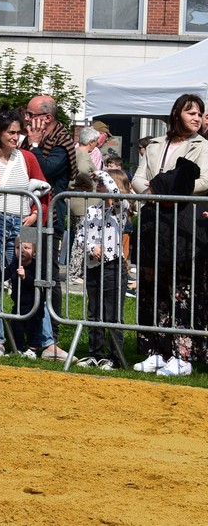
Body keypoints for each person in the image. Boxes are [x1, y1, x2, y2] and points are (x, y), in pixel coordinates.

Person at [130, 93, 208, 376]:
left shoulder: (202, 146)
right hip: (153, 221)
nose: (196, 118)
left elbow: (205, 181)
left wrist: (172, 192)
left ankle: (182, 355)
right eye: (191, 112)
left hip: (184, 223)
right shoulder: (154, 145)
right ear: (177, 114)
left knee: (181, 291)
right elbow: (138, 177)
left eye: (199, 113)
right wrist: (151, 192)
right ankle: (157, 351)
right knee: (154, 289)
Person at [0, 109, 51, 358]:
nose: (16, 137)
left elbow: (44, 192)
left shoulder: (27, 158)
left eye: (18, 132)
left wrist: (37, 215)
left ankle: (42, 341)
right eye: (11, 132)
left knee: (32, 282)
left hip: (24, 223)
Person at [22, 95, 77, 345]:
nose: (26, 119)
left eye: (31, 115)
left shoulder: (61, 143)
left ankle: (51, 334)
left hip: (49, 220)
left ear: (47, 118)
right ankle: (26, 331)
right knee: (26, 269)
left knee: (48, 275)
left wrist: (33, 147)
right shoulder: (31, 138)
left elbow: (44, 171)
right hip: (28, 218)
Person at [74, 170, 130, 370]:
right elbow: (80, 235)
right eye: (97, 183)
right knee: (94, 312)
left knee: (113, 314)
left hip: (113, 267)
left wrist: (101, 173)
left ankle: (116, 357)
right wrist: (91, 247)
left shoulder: (120, 209)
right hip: (93, 267)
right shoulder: (92, 210)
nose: (98, 185)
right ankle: (95, 354)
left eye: (102, 183)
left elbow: (115, 194)